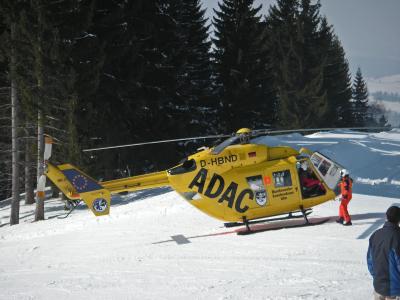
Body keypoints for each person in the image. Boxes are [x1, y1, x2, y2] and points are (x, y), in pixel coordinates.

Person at [367, 206, 400, 299]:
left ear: (387, 216)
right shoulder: (398, 237)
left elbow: (370, 261)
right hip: (395, 289)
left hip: (378, 286)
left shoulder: (375, 234)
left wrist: (377, 276)